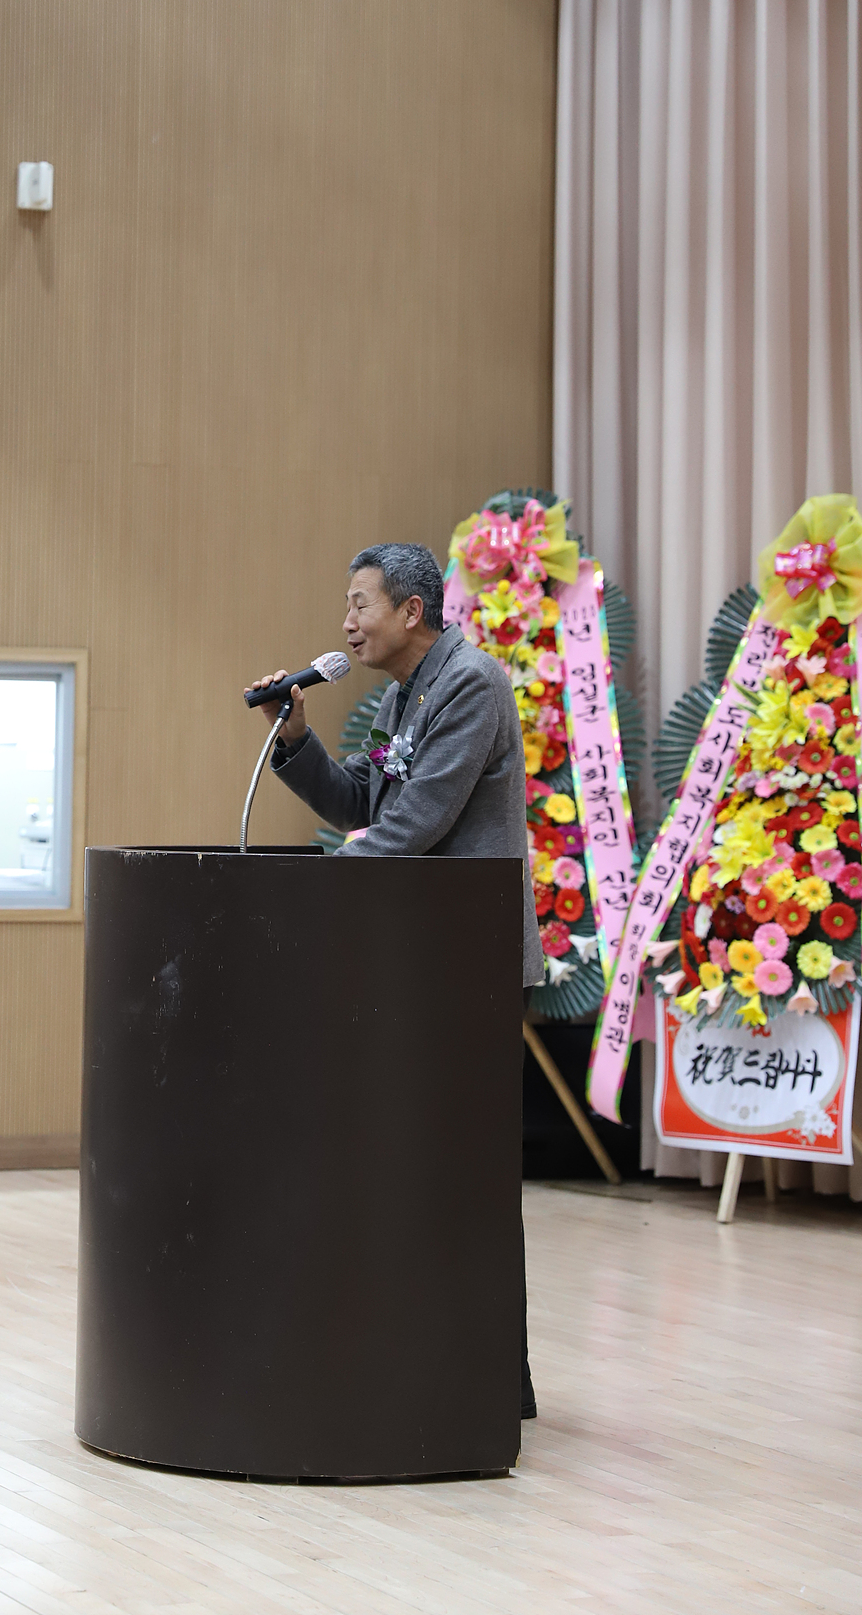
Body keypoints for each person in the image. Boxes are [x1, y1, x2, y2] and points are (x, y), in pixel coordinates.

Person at [247, 541, 543, 1419]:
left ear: (411, 611)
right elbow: (361, 807)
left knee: (462, 1174)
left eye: (359, 603)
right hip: (414, 963)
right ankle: (415, 1361)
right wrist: (293, 737)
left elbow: (414, 826)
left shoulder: (470, 684)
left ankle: (486, 1380)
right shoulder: (400, 696)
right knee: (406, 1168)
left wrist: (319, 882)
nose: (345, 622)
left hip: (466, 964)